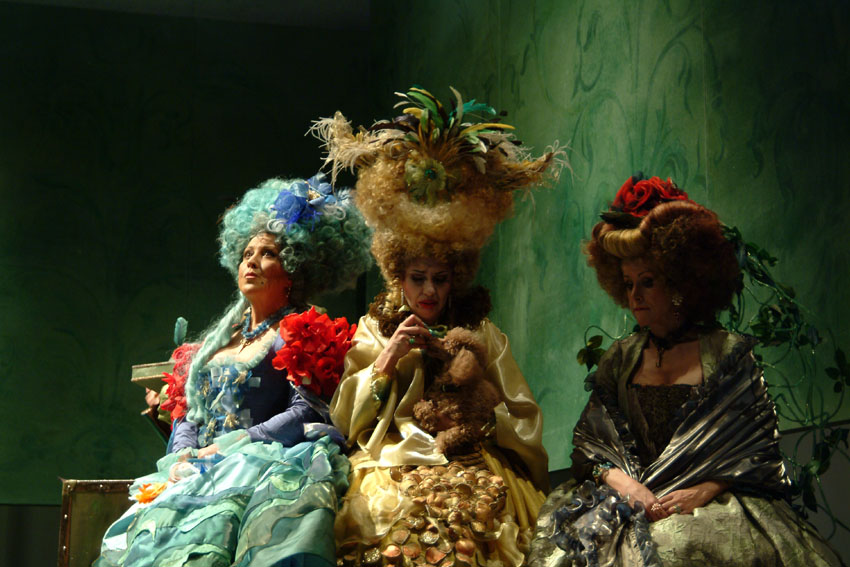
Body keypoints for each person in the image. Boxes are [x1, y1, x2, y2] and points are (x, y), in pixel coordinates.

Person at [529, 174, 843, 567]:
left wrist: (703, 490)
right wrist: (624, 484)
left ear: (680, 283)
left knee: (683, 551)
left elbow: (759, 451)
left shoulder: (726, 354)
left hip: (709, 503)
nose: (634, 296)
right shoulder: (620, 359)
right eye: (627, 283)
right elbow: (589, 451)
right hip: (626, 500)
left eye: (647, 282)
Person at [313, 86, 563, 567]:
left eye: (440, 279)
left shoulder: (481, 333)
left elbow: (524, 416)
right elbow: (344, 421)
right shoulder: (375, 329)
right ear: (398, 276)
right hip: (394, 458)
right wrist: (388, 359)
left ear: (456, 278)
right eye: (418, 278)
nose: (429, 290)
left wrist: (480, 420)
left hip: (471, 454)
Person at [95, 173, 372, 567]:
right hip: (198, 468)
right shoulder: (215, 344)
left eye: (268, 254)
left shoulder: (299, 332)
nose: (252, 262)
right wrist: (183, 455)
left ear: (293, 270)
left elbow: (306, 411)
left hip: (256, 463)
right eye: (247, 254)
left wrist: (234, 445)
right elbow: (189, 411)